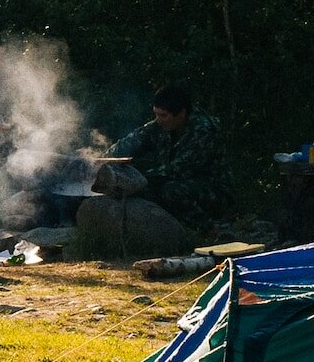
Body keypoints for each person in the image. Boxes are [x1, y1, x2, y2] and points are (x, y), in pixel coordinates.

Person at [79, 83, 232, 252]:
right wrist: (102, 163)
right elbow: (131, 142)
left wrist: (137, 177)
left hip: (213, 190)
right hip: (179, 181)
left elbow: (179, 169)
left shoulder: (203, 131)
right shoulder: (162, 124)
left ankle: (208, 231)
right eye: (156, 114)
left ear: (181, 113)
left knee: (169, 190)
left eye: (163, 115)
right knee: (150, 190)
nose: (158, 120)